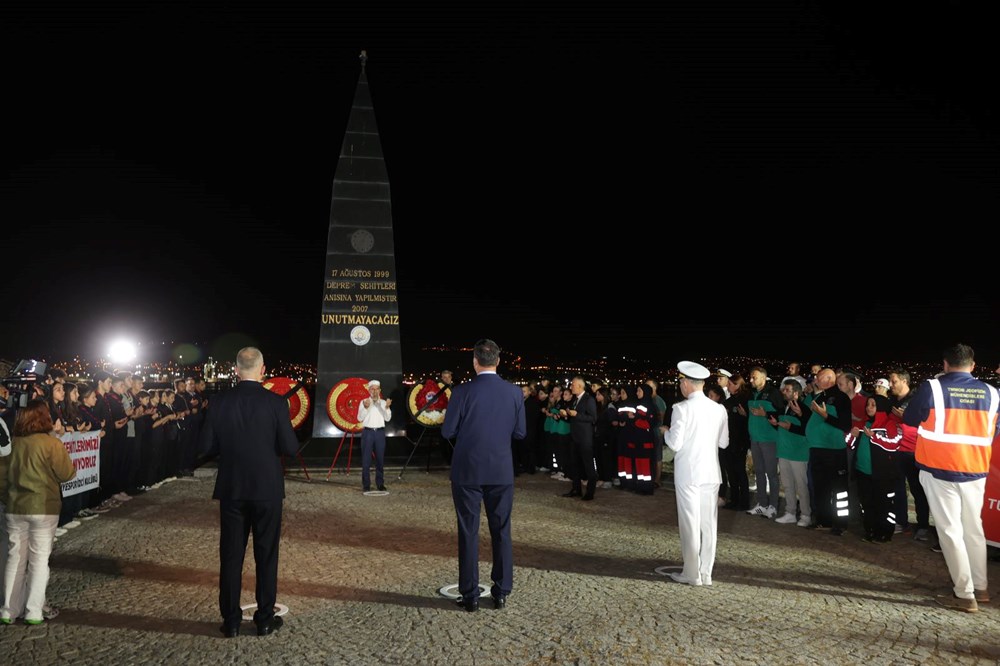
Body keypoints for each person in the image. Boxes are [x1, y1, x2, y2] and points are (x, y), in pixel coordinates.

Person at [198, 347, 299, 637]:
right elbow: (291, 448)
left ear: (236, 370)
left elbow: (205, 447)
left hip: (232, 487)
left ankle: (230, 621)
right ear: (262, 370)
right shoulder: (276, 404)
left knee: (231, 556)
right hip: (266, 488)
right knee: (266, 555)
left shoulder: (219, 403)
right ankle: (265, 619)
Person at [905, 344, 997, 613]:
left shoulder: (932, 387)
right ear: (973, 365)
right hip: (975, 470)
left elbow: (910, 418)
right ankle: (981, 588)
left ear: (945, 364)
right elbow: (995, 428)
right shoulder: (992, 392)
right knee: (973, 529)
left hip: (939, 469)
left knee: (950, 531)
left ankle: (964, 594)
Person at [441, 339, 525, 612]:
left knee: (468, 531)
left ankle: (470, 595)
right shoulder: (514, 393)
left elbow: (447, 431)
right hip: (500, 470)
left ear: (475, 361)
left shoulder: (462, 392)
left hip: (467, 469)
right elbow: (520, 432)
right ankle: (501, 592)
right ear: (498, 361)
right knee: (501, 531)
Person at [0, 400, 76, 625]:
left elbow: (2, 480)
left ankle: (8, 610)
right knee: (39, 560)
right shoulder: (51, 443)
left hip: (16, 507)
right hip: (44, 507)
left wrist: (10, 498)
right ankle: (33, 610)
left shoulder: (13, 443)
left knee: (15, 558)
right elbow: (66, 473)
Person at [660, 361, 729, 586]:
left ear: (687, 383)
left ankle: (691, 573)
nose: (680, 385)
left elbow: (675, 444)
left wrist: (666, 433)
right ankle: (706, 573)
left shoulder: (681, 409)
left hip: (689, 472)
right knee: (708, 524)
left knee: (690, 522)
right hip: (711, 472)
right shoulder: (719, 409)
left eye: (681, 381)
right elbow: (724, 443)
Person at [562, 375, 597, 501]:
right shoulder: (575, 400)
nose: (571, 387)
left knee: (588, 466)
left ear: (580, 386)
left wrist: (577, 414)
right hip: (574, 437)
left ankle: (590, 492)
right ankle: (576, 489)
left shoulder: (589, 400)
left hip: (585, 439)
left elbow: (593, 418)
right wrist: (566, 415)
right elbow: (574, 416)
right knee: (574, 465)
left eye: (573, 385)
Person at [356, 379, 392, 492]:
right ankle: (366, 485)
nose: (375, 391)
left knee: (380, 460)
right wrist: (366, 408)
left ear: (380, 390)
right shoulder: (364, 401)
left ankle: (380, 483)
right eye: (372, 389)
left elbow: (388, 418)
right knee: (366, 460)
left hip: (380, 433)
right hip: (368, 433)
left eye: (377, 389)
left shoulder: (384, 402)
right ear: (369, 390)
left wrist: (385, 407)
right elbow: (359, 418)